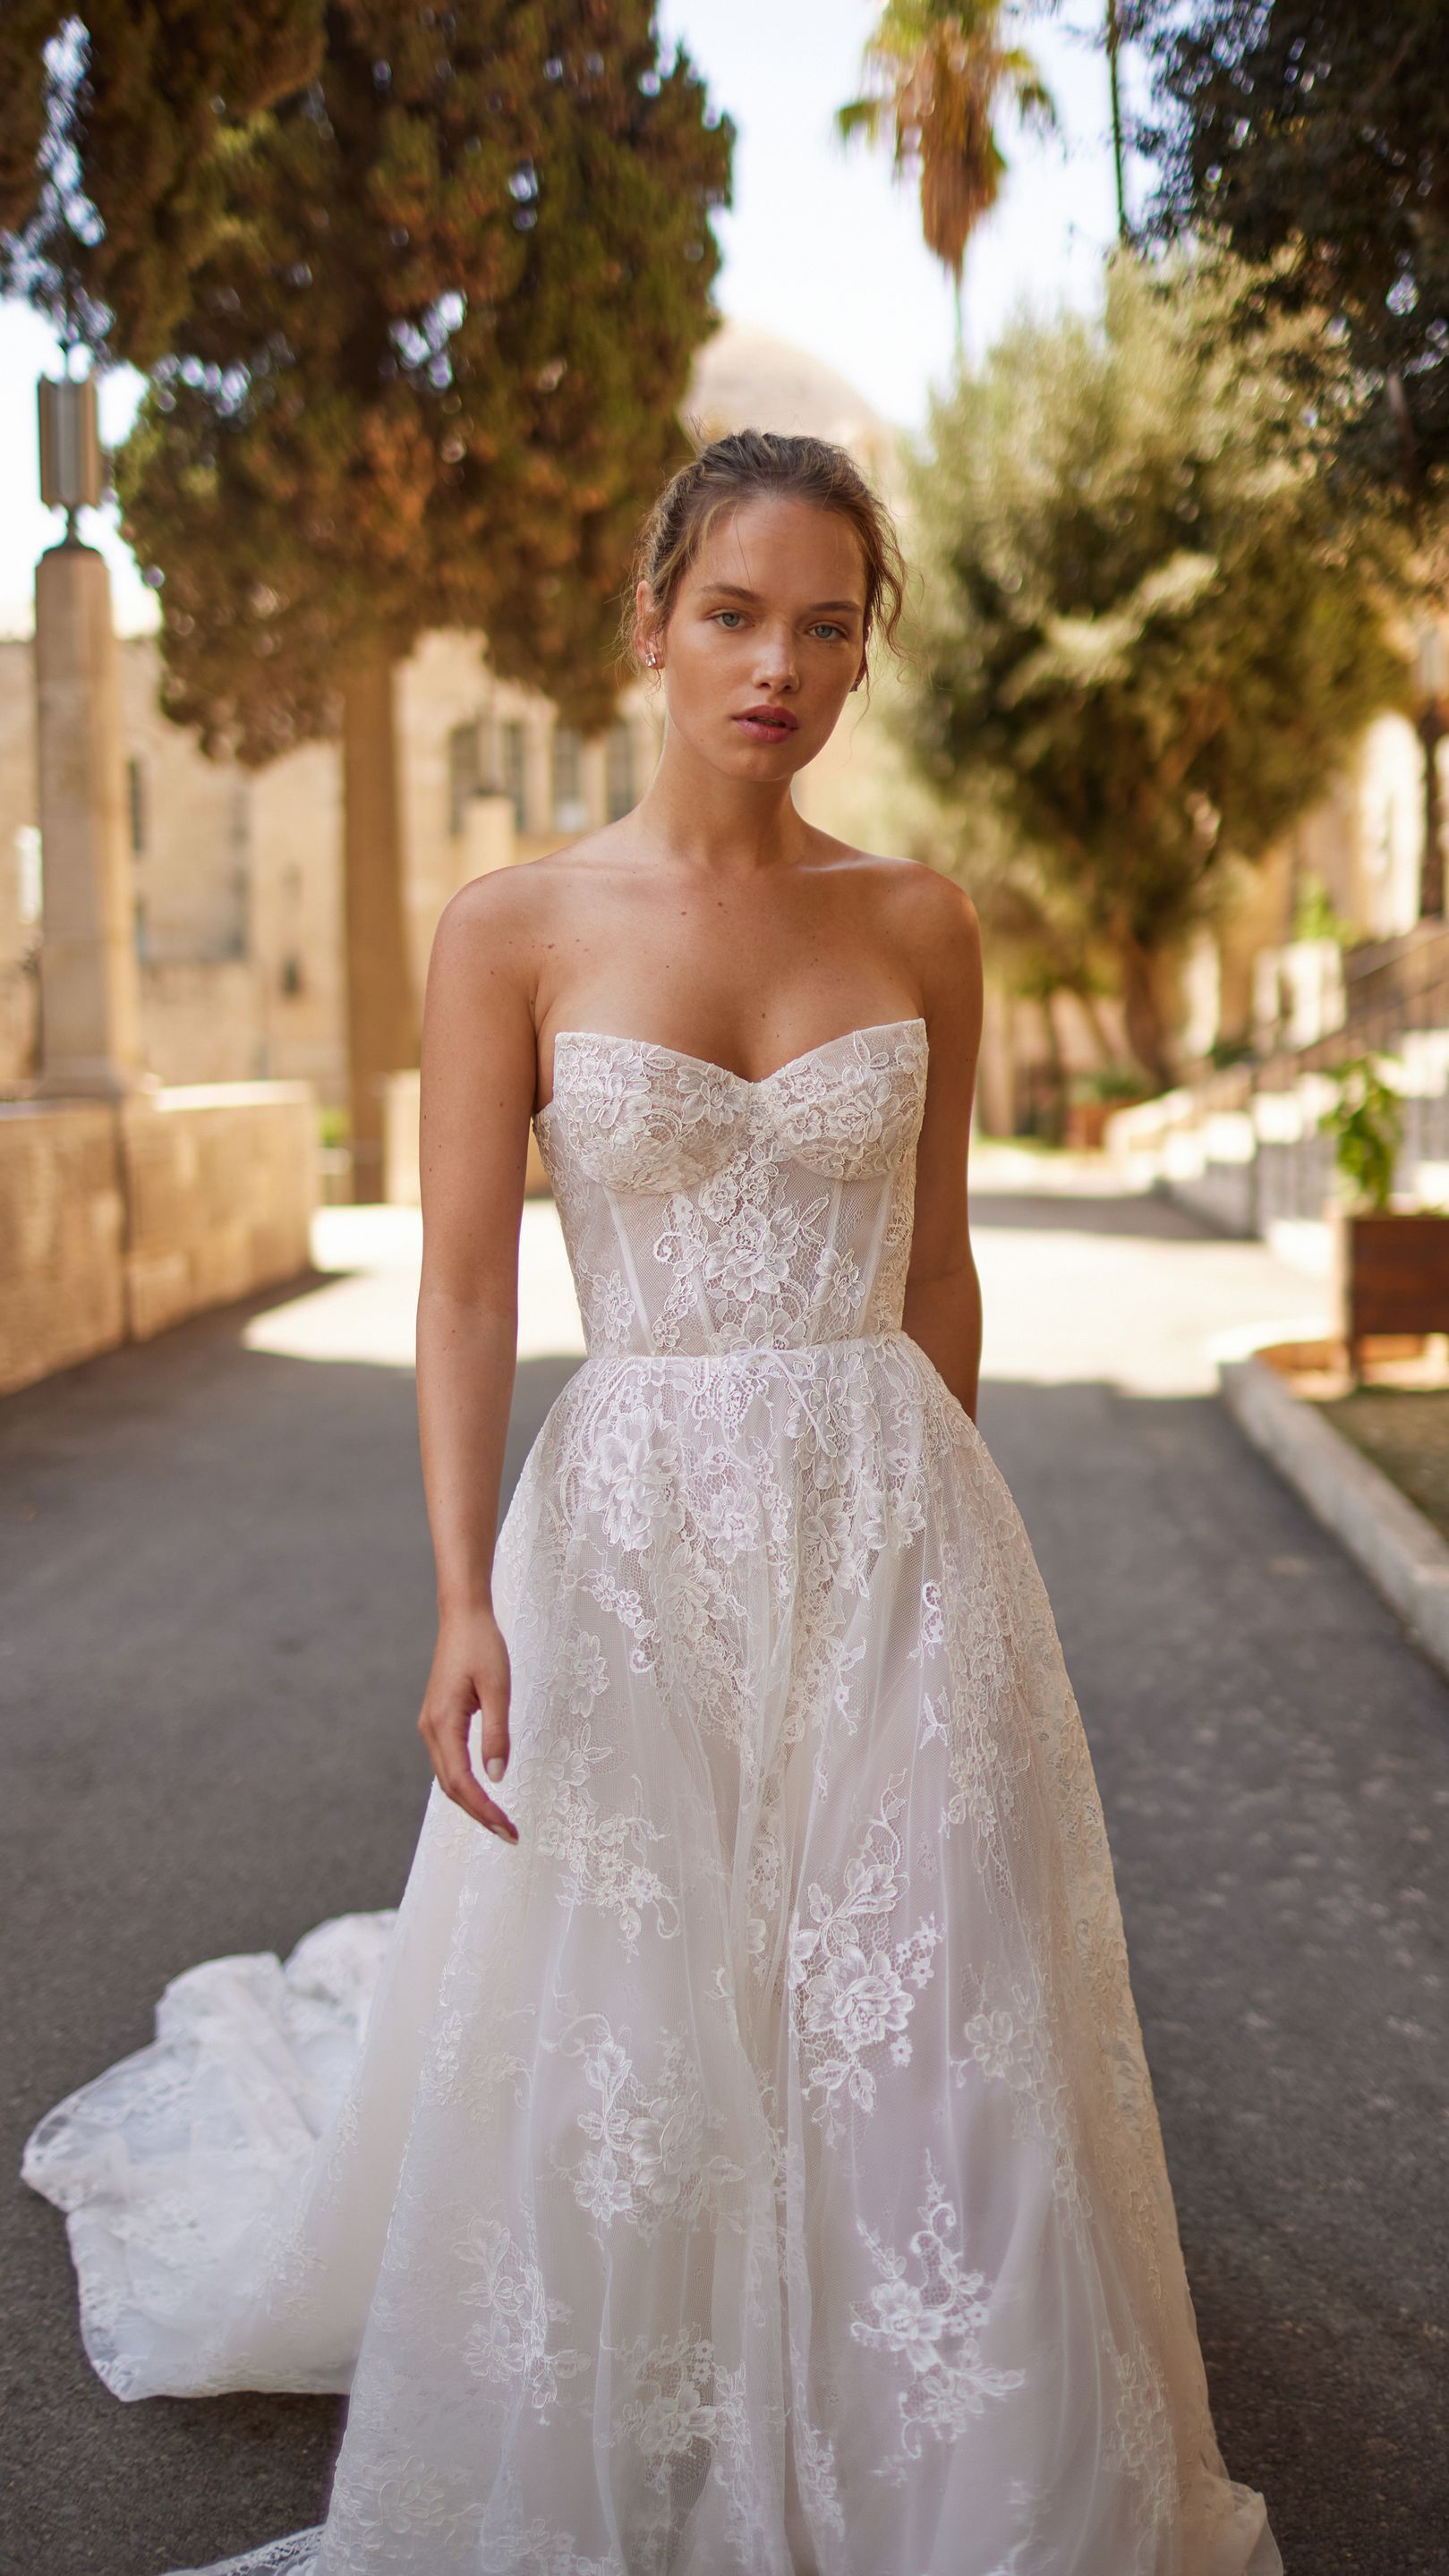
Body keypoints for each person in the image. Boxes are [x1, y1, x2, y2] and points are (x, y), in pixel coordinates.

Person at [23, 430, 1283, 2576]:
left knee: (912, 1998)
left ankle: (958, 2458)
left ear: (860, 652)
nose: (777, 664)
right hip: (624, 1536)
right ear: (652, 623)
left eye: (825, 624)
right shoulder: (514, 927)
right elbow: (456, 1282)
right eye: (735, 614)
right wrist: (454, 1595)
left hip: (895, 1525)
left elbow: (940, 1260)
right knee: (648, 1997)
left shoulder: (919, 918)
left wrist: (949, 1545)